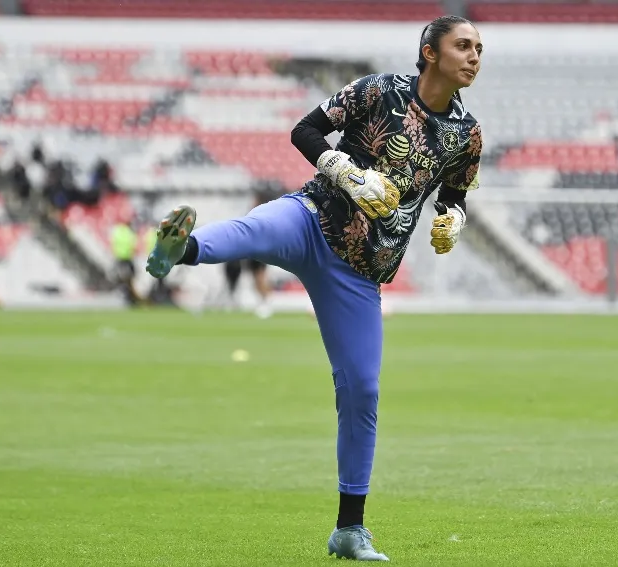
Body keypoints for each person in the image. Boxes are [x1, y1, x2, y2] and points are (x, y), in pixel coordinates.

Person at [145, 15, 482, 561]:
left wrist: (454, 220)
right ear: (429, 52)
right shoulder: (378, 90)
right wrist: (345, 171)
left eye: (478, 48)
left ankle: (350, 529)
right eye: (462, 45)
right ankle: (175, 251)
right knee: (251, 231)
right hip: (311, 218)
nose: (473, 56)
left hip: (359, 273)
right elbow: (304, 129)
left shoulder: (467, 134)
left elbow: (456, 194)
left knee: (363, 392)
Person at [220, 183, 285, 317]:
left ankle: (266, 302)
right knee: (254, 276)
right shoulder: (255, 212)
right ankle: (254, 301)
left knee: (259, 276)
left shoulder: (264, 213)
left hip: (259, 249)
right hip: (251, 248)